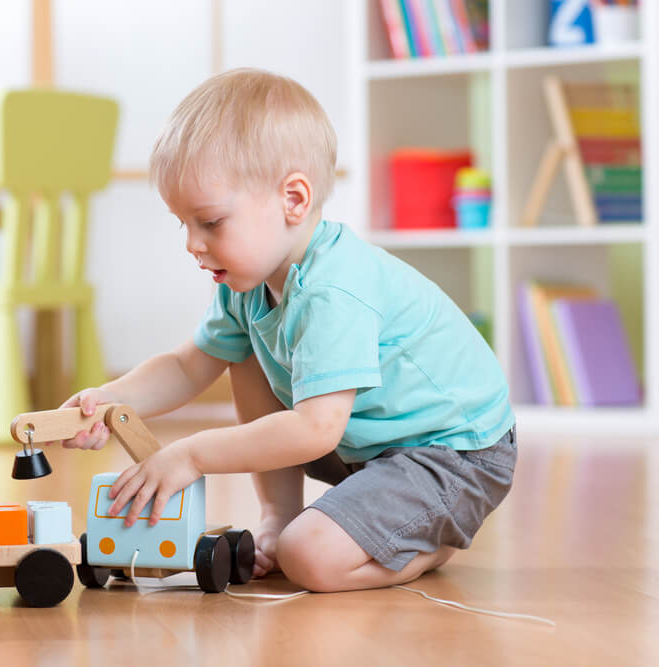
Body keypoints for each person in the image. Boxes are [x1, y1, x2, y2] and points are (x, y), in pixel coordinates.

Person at [55, 68, 516, 593]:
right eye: (182, 223)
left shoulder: (333, 291)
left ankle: (430, 544)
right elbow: (187, 366)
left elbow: (315, 429)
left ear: (294, 199)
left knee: (308, 557)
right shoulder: (245, 285)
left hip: (453, 454)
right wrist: (109, 401)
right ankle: (280, 515)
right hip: (365, 446)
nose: (191, 244)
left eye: (210, 222)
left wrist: (191, 452)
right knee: (244, 350)